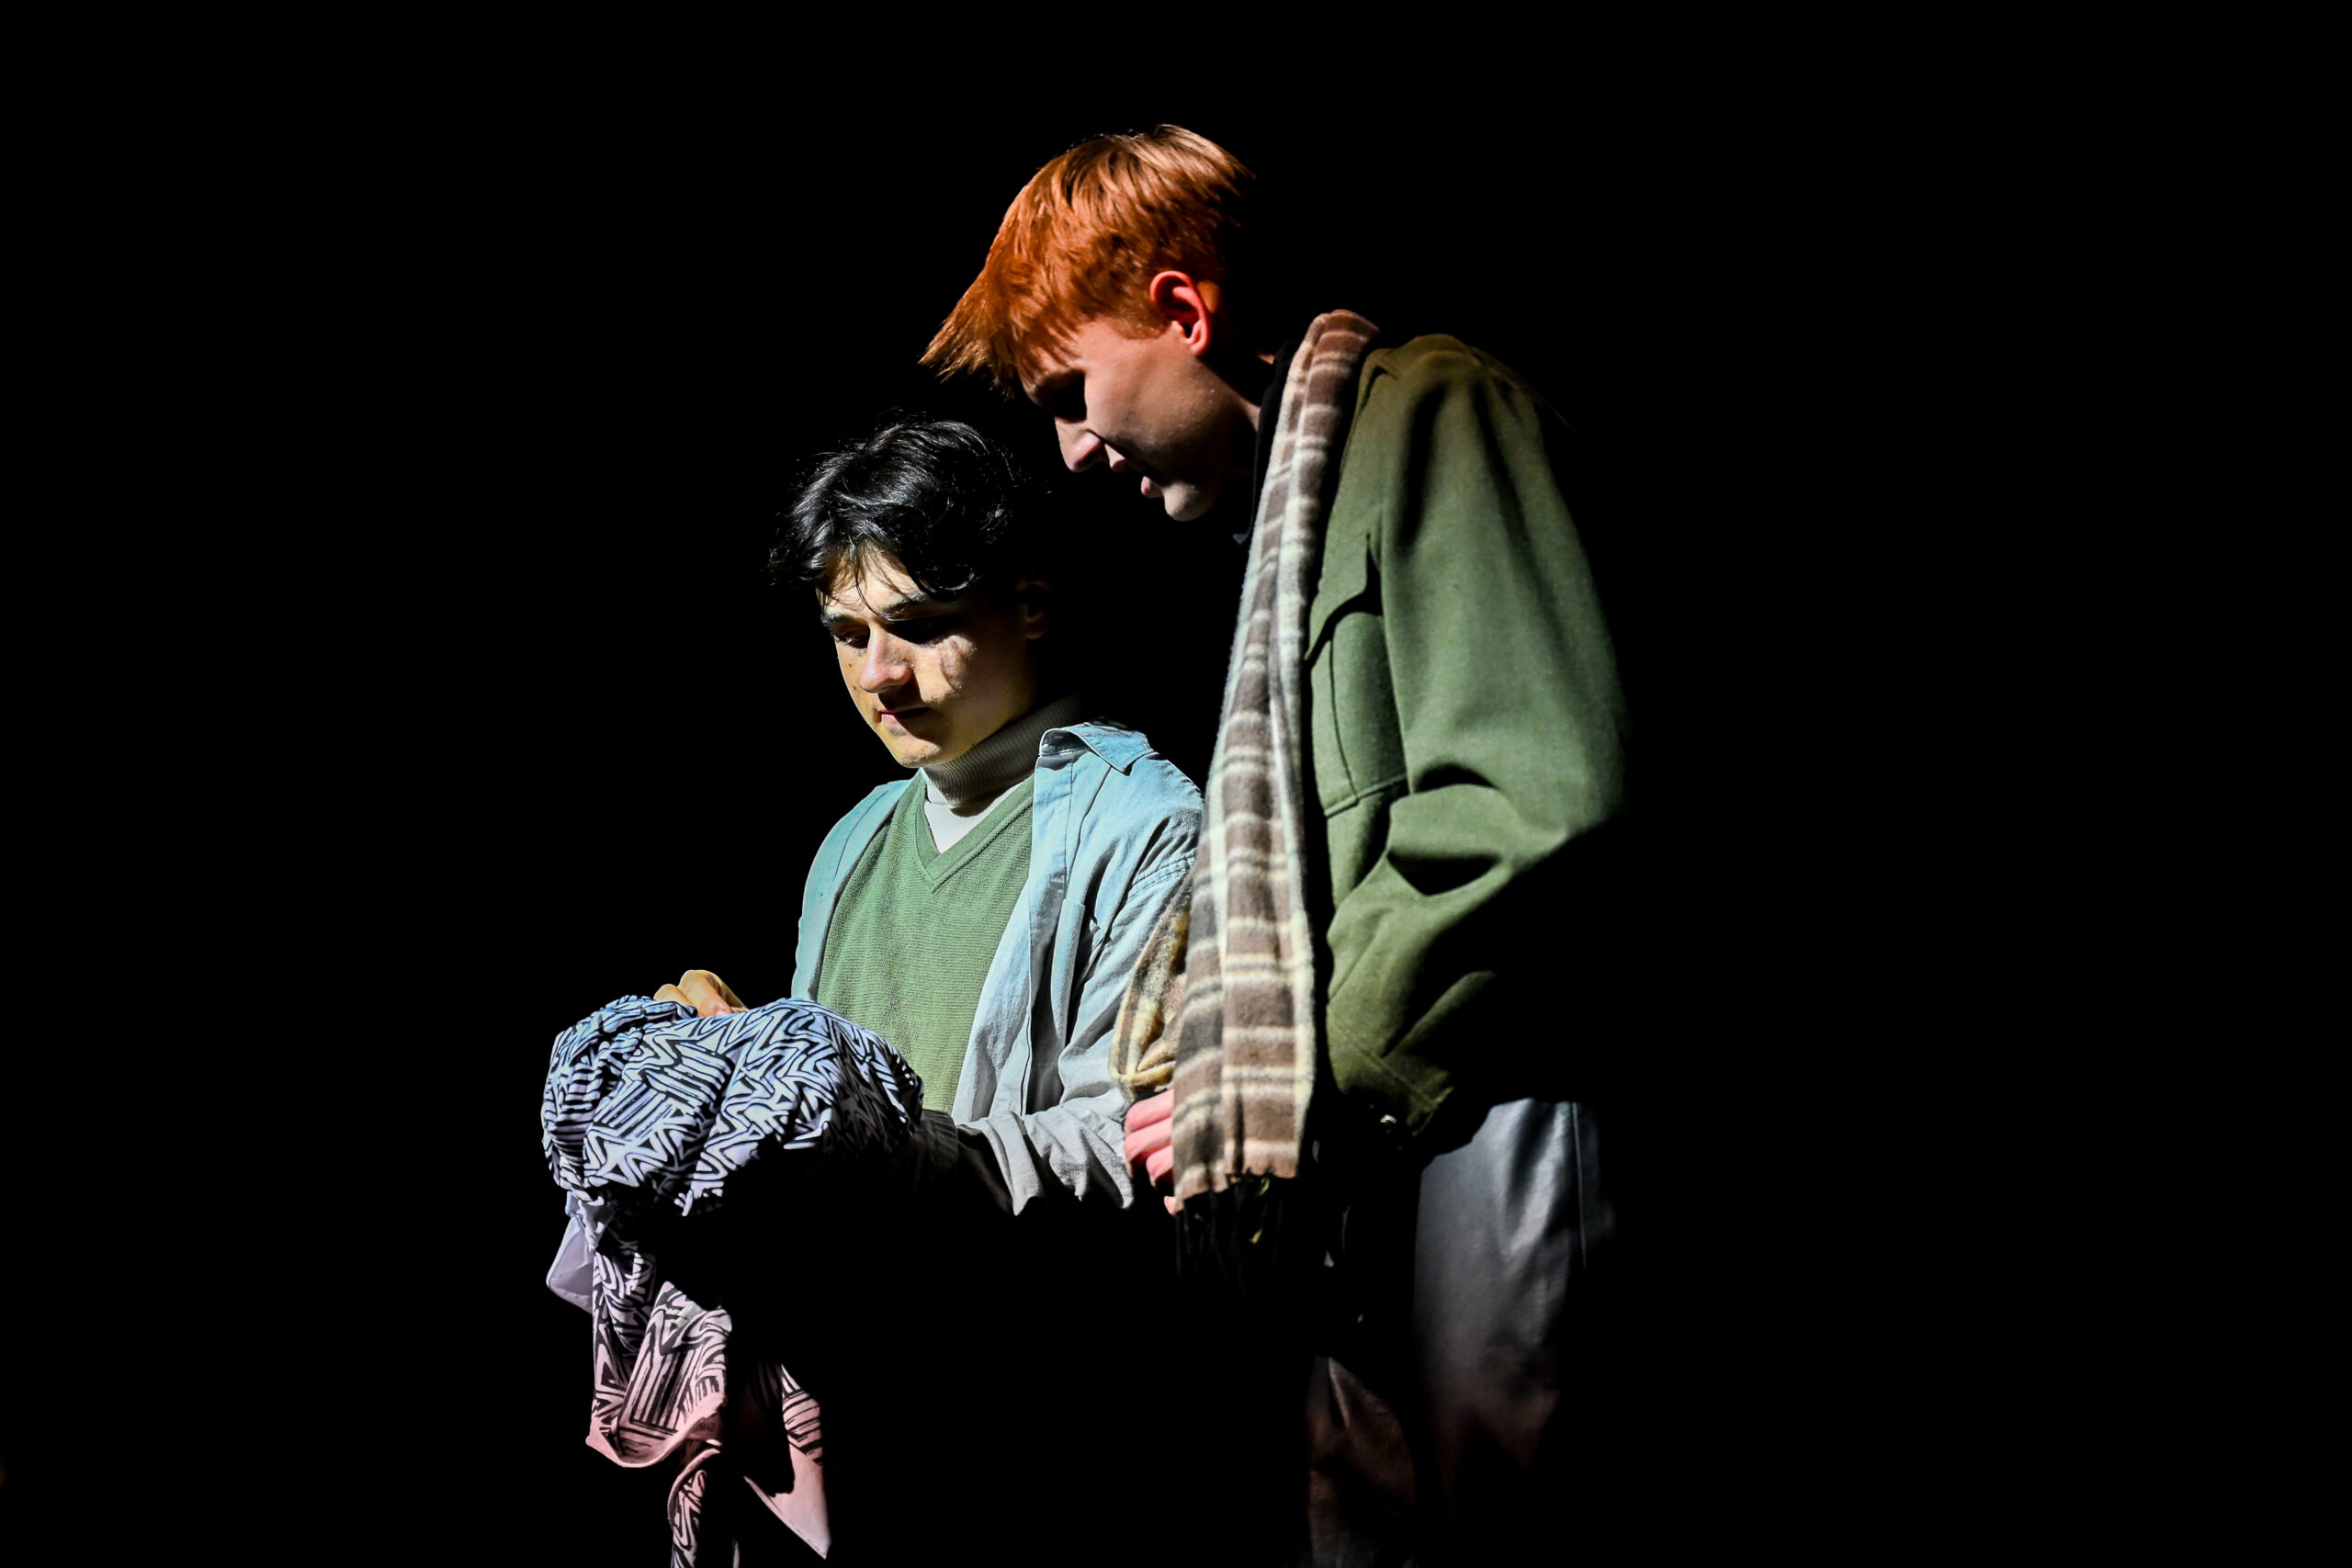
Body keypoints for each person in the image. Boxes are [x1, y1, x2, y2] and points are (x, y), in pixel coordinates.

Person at [923, 128, 1633, 1563]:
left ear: (1184, 310)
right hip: (1372, 1167)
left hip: (1485, 1110)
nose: (1072, 451)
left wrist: (1291, 1075)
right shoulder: (1288, 530)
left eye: (1071, 394)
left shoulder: (1435, 412)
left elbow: (1535, 799)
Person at [582, 417, 1202, 1562]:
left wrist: (875, 1148)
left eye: (917, 626)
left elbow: (1138, 1149)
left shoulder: (1145, 825)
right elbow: (830, 1104)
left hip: (1033, 1433)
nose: (879, 674)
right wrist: (733, 1073)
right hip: (850, 1428)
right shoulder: (855, 837)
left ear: (1031, 602)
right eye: (848, 633)